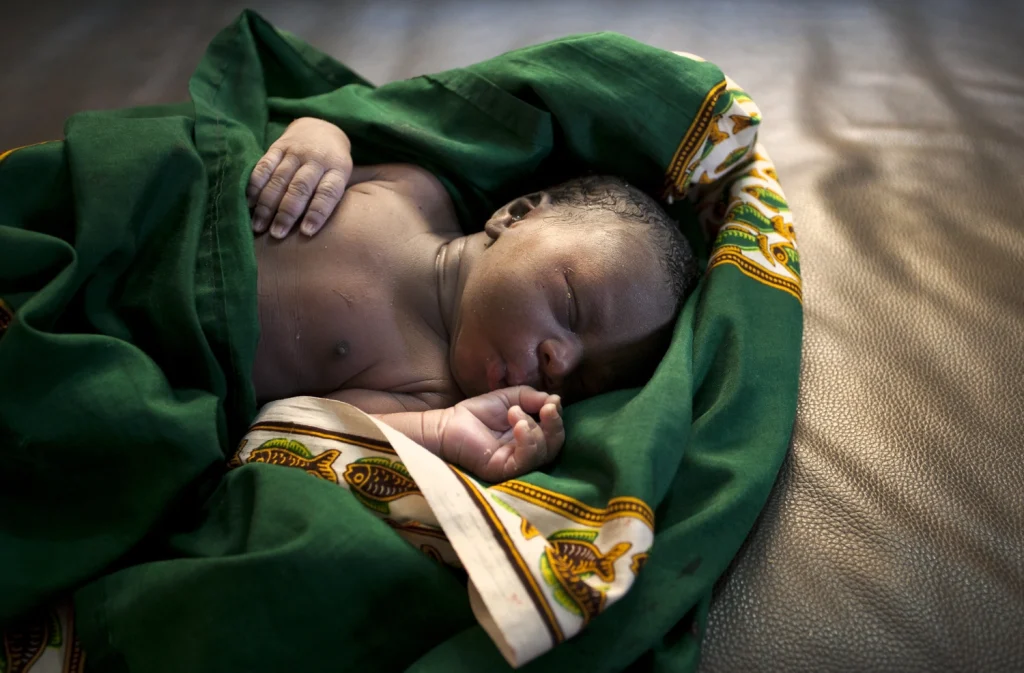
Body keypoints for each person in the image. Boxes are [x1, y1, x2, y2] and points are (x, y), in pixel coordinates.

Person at [248, 116, 698, 482]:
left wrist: (442, 433)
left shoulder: (432, 396)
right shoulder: (412, 191)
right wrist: (318, 135)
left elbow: (301, 427)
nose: (560, 365)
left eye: (582, 382)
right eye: (570, 305)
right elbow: (290, 142)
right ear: (516, 215)